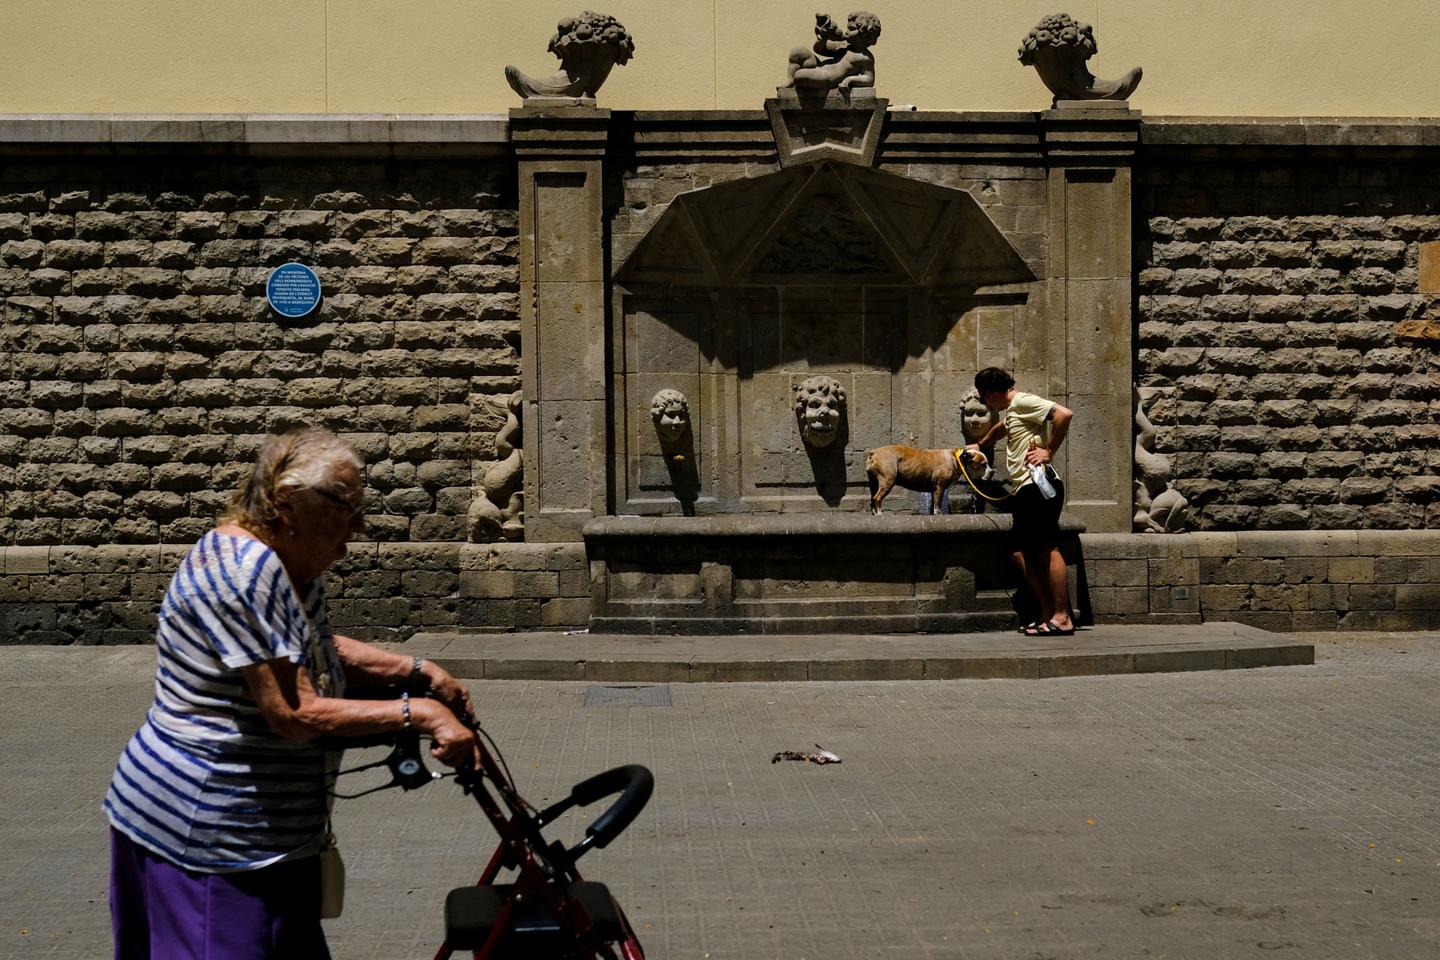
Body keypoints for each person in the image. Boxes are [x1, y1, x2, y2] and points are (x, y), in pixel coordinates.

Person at [103, 427, 481, 959]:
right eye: (346, 510)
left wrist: (418, 670)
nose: (358, 528)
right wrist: (419, 714)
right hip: (211, 838)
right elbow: (293, 711)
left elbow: (311, 645)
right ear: (288, 506)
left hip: (271, 841)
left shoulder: (288, 562)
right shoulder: (246, 573)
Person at [964, 367, 1076, 637]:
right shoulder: (1014, 410)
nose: (988, 406)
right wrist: (982, 444)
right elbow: (1004, 427)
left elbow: (1063, 414)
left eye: (985, 399)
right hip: (1025, 488)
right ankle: (1048, 611)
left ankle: (1063, 617)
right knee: (1019, 551)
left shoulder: (1024, 401)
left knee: (1048, 547)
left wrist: (1048, 451)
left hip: (1039, 484)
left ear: (991, 394)